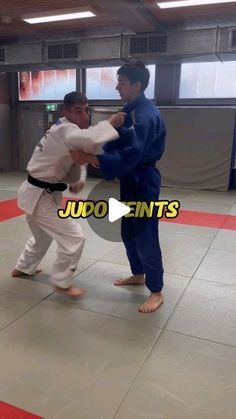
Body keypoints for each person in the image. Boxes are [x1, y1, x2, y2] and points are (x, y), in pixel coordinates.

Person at [71, 62, 166, 312]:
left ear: (137, 85)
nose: (117, 87)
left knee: (145, 235)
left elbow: (134, 152)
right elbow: (120, 141)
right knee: (128, 231)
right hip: (129, 179)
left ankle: (156, 291)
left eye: (121, 83)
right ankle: (138, 273)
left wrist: (97, 159)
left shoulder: (146, 115)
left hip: (143, 179)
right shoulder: (129, 111)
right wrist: (98, 149)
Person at [12, 91, 126, 297]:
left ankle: (23, 267)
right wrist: (111, 122)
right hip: (39, 195)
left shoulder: (63, 129)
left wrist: (78, 181)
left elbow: (78, 157)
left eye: (86, 111)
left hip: (39, 192)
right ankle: (61, 281)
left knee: (41, 237)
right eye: (78, 111)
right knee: (74, 237)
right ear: (66, 111)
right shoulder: (66, 129)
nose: (84, 116)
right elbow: (90, 139)